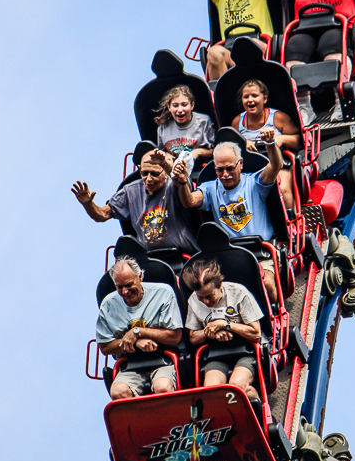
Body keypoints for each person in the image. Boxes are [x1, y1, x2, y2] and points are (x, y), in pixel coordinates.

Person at [171, 136, 282, 303]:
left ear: (241, 163)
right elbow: (190, 201)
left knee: (267, 284)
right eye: (219, 169)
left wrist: (271, 144)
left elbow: (276, 166)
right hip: (229, 255)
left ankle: (273, 313)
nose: (225, 175)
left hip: (260, 252)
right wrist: (182, 182)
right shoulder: (210, 188)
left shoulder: (254, 182)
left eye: (230, 168)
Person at [71, 149, 198, 254]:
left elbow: (180, 181)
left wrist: (166, 163)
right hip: (149, 260)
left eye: (154, 174)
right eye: (144, 173)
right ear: (139, 169)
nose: (148, 179)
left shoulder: (175, 184)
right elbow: (102, 215)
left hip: (184, 254)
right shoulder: (130, 191)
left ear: (164, 172)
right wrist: (88, 204)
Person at [96, 257, 183, 399]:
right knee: (117, 392)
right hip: (130, 363)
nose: (124, 291)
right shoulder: (108, 305)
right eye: (119, 287)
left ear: (140, 277)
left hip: (163, 358)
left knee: (162, 387)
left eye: (128, 285)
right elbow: (105, 347)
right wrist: (133, 342)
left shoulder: (163, 293)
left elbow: (175, 337)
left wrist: (138, 332)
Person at [183, 259, 263, 400]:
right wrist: (211, 331)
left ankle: (258, 412)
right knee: (212, 391)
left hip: (245, 351)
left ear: (219, 286)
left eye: (209, 296)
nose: (206, 302)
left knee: (236, 387)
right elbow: (193, 337)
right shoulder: (193, 301)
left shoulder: (238, 293)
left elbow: (256, 333)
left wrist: (225, 324)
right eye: (201, 297)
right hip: (216, 354)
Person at [231, 78, 301, 209]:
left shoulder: (278, 117)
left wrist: (280, 139)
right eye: (246, 97)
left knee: (283, 188)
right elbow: (229, 145)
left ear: (264, 99)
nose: (250, 100)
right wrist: (243, 143)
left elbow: (298, 141)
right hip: (249, 166)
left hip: (279, 163)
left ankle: (291, 220)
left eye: (255, 96)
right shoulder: (237, 122)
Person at [154, 85, 215, 174]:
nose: (180, 110)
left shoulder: (204, 121)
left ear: (192, 105)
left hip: (199, 171)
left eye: (184, 105)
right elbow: (161, 152)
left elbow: (215, 151)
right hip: (173, 171)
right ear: (169, 107)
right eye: (175, 106)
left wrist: (198, 152)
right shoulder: (163, 127)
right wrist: (167, 156)